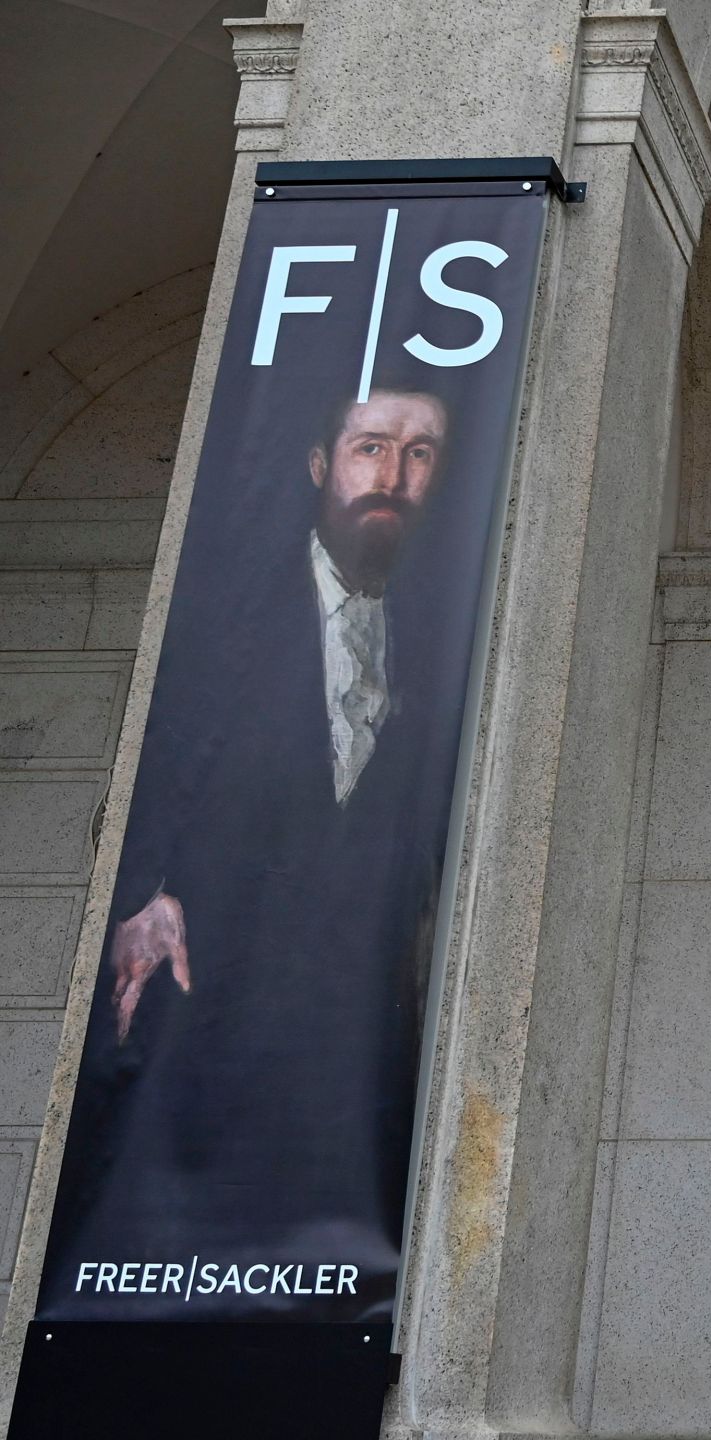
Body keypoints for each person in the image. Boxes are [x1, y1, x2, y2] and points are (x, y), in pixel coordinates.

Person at [40, 374, 466, 1321]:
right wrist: (148, 888)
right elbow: (160, 752)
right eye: (371, 447)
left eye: (421, 452)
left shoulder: (452, 631)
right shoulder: (223, 604)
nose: (393, 474)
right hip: (200, 1029)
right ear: (322, 464)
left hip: (354, 1070)